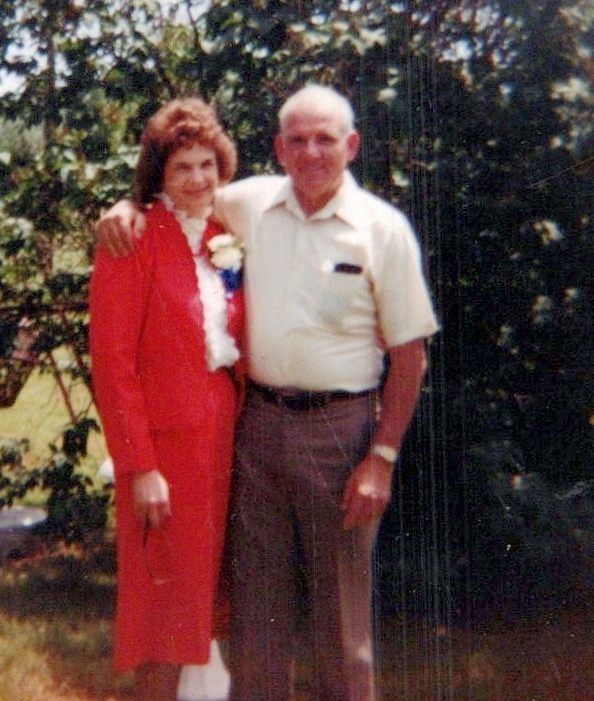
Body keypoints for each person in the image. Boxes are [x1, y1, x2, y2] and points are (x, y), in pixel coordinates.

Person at [97, 84, 439, 701]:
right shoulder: (247, 204)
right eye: (298, 140)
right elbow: (171, 190)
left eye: (325, 139)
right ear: (279, 149)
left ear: (351, 145)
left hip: (339, 433)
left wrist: (382, 458)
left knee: (341, 626)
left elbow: (410, 355)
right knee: (255, 624)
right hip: (253, 432)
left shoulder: (383, 229)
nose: (312, 153)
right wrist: (124, 206)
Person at [90, 98, 246, 701]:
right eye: (183, 166)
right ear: (159, 173)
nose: (198, 178)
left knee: (205, 607)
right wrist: (140, 467)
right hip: (165, 456)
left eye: (208, 164)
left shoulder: (225, 234)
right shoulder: (132, 238)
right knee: (162, 614)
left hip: (222, 446)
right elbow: (114, 367)